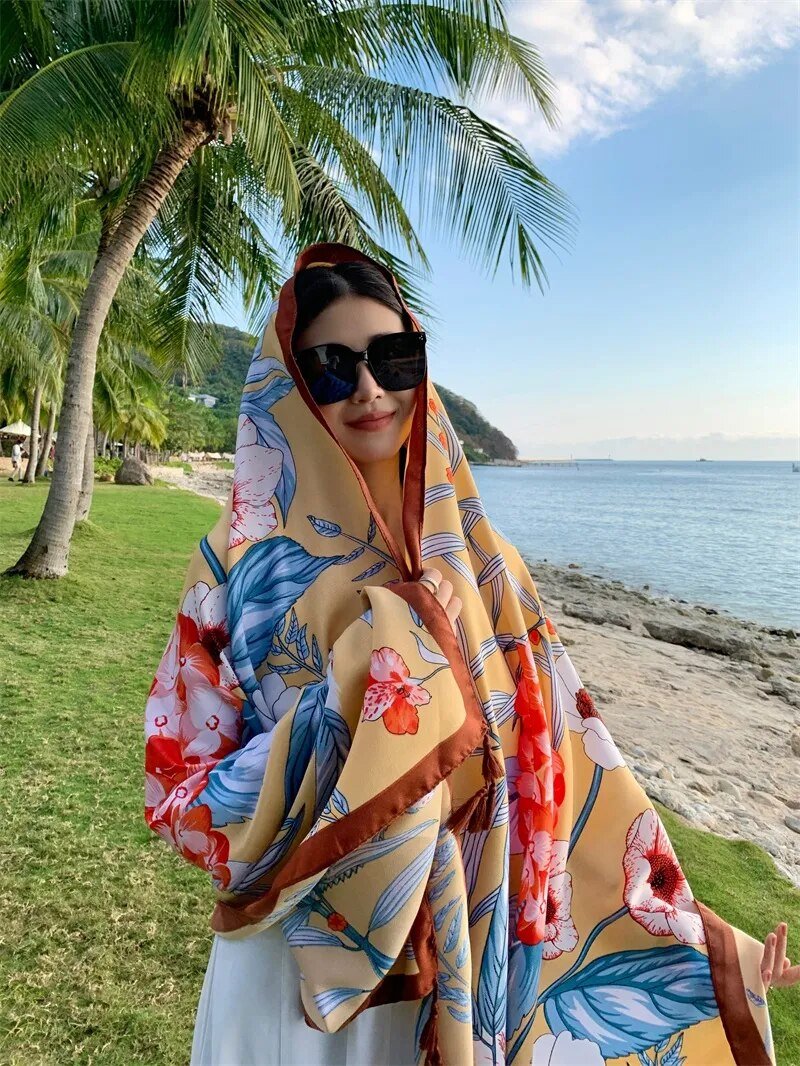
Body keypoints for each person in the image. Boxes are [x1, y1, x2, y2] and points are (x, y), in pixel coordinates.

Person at [143, 242, 794, 1066]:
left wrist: (697, 937)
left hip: (460, 951)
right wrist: (367, 676)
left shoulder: (488, 566)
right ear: (290, 387)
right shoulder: (234, 570)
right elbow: (180, 796)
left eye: (393, 358)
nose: (369, 389)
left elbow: (562, 766)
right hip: (292, 964)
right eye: (332, 368)